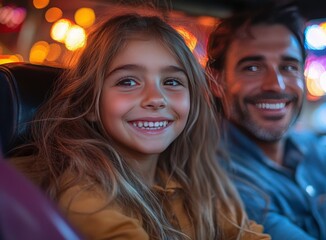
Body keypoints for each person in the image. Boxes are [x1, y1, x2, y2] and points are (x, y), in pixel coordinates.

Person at [10, 13, 270, 240]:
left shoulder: (197, 184)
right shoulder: (85, 198)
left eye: (171, 82)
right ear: (89, 104)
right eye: (128, 82)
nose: (156, 98)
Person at [206, 2, 326, 240]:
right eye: (253, 67)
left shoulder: (311, 148)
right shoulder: (217, 179)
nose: (275, 85)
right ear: (218, 81)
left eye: (288, 67)